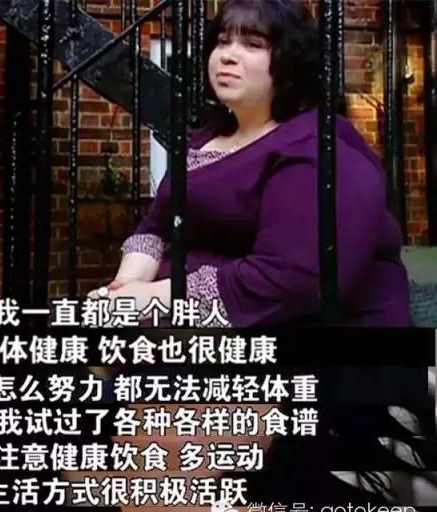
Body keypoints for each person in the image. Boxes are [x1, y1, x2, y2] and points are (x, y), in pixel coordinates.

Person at [89, 0, 411, 329]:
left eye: (253, 44)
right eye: (222, 41)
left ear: (291, 61)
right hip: (188, 325)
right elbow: (156, 227)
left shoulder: (320, 148)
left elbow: (291, 281)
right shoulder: (205, 139)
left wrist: (150, 299)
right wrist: (125, 287)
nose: (227, 55)